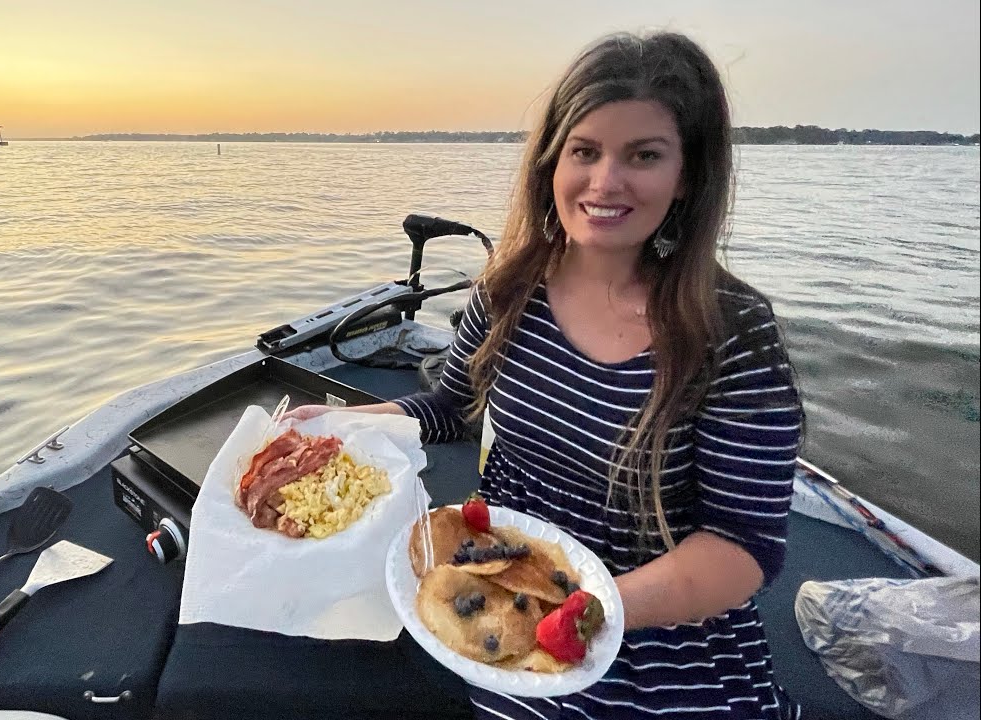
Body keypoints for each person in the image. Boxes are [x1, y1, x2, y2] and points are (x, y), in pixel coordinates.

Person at [288, 31, 804, 720]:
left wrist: (591, 609)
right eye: (584, 151)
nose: (605, 182)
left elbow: (740, 545)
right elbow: (451, 405)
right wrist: (334, 424)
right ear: (551, 161)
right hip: (502, 577)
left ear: (687, 176)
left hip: (651, 618)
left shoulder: (733, 331)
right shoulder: (510, 288)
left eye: (643, 156)